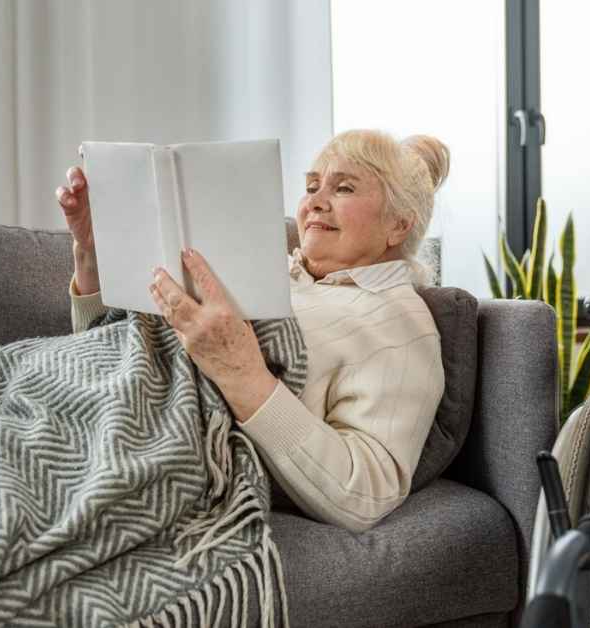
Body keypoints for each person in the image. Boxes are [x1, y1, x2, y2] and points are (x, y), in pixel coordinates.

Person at [55, 130, 449, 533]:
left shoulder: (400, 324)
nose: (315, 201)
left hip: (156, 444)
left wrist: (239, 371)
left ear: (398, 225)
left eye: (344, 188)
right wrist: (92, 255)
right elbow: (104, 358)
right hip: (91, 410)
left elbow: (365, 495)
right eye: (311, 186)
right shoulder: (260, 269)